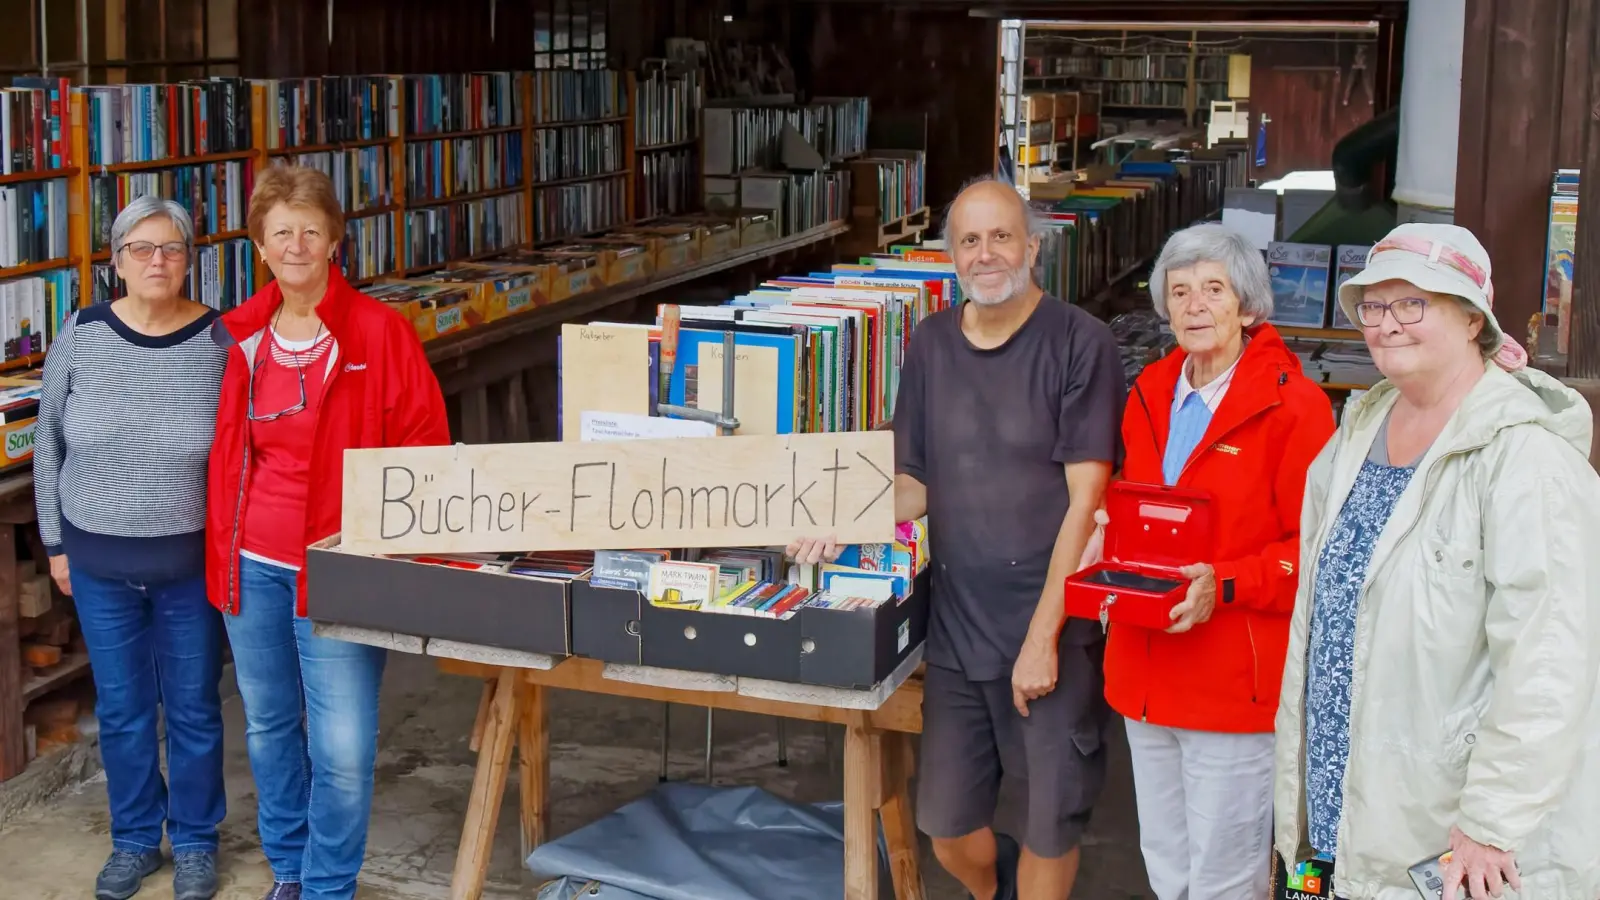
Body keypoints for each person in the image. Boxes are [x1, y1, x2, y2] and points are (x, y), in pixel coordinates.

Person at [791, 176, 1126, 900]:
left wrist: (1045, 635)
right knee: (946, 826)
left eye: (1001, 236)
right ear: (950, 258)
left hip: (1052, 629)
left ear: (1032, 246)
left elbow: (1086, 500)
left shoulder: (1080, 343)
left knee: (1051, 823)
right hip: (959, 628)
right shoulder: (932, 342)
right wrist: (848, 513)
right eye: (968, 241)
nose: (985, 254)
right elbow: (916, 483)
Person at [1272, 223, 1600, 900]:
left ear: (1472, 318)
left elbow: (1551, 659)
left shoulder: (1526, 460)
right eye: (1374, 307)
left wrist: (1491, 821)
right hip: (1334, 808)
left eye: (1412, 304)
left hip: (1448, 837)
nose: (1387, 324)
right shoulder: (1357, 430)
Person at [205, 164, 450, 900]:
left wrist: (401, 562)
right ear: (261, 245)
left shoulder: (381, 332)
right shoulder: (239, 335)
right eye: (282, 232)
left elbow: (425, 451)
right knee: (271, 729)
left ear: (336, 238)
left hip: (342, 569)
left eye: (312, 230)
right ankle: (288, 868)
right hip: (250, 566)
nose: (298, 244)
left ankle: (328, 885)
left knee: (341, 745)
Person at [1078, 223, 1333, 900]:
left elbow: (1310, 552)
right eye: (1180, 290)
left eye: (1214, 290)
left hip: (1231, 681)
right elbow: (1136, 496)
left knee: (1226, 878)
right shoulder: (1150, 391)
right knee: (1166, 864)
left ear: (1248, 307)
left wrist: (1223, 584)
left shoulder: (1296, 408)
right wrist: (1107, 525)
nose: (1194, 305)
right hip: (1144, 669)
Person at [33, 197, 228, 900]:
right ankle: (136, 840)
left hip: (189, 566)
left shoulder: (218, 341)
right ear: (116, 263)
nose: (156, 261)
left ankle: (198, 842)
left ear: (191, 260)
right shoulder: (81, 334)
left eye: (171, 248)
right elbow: (47, 445)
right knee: (121, 709)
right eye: (140, 249)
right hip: (98, 565)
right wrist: (55, 543)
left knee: (194, 708)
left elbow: (237, 453)